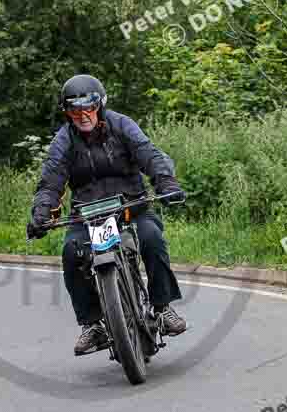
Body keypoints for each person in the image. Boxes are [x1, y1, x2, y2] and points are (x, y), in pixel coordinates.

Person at [26, 74, 188, 356]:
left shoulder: (122, 125)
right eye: (74, 109)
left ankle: (162, 308)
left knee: (151, 238)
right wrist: (41, 213)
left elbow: (148, 154)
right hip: (88, 217)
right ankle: (93, 324)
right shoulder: (64, 140)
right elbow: (51, 181)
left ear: (99, 105)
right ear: (67, 112)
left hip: (130, 207)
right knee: (70, 252)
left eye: (88, 107)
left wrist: (167, 183)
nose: (82, 115)